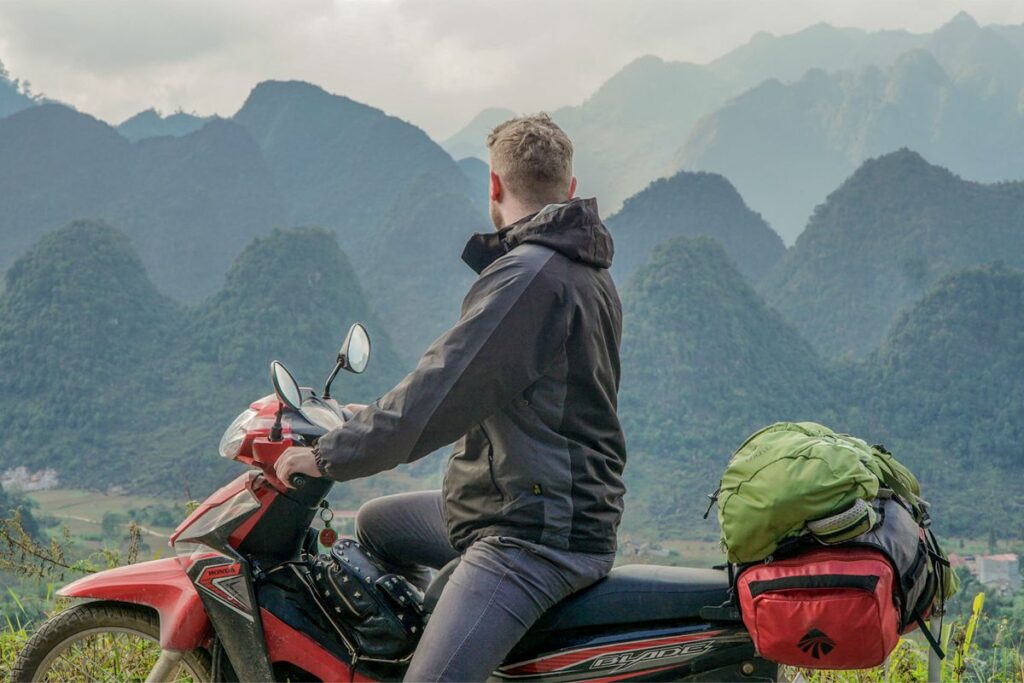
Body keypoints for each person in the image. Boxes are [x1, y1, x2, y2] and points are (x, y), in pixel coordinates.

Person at [276, 113, 627, 682]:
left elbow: (438, 392)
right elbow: (493, 392)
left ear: (493, 187)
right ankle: (417, 643)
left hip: (534, 534)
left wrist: (327, 455)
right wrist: (366, 417)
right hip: (535, 501)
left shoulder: (529, 277)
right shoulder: (582, 271)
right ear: (568, 188)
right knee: (377, 526)